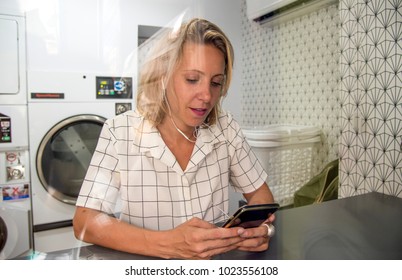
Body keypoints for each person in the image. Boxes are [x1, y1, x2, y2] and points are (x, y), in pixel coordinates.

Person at [73, 18, 275, 260]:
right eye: (192, 79)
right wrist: (168, 244)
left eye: (216, 83)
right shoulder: (120, 131)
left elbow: (261, 197)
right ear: (162, 77)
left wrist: (262, 230)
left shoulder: (225, 127)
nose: (207, 96)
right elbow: (85, 220)